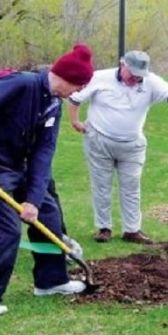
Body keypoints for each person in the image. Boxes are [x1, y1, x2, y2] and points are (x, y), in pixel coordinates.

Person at [67, 50, 168, 244]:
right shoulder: (100, 77)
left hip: (132, 145)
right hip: (99, 141)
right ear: (122, 64)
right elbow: (75, 98)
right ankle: (104, 228)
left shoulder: (151, 81)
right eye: (132, 73)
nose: (135, 78)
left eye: (139, 75)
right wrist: (75, 122)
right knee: (101, 186)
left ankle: (132, 230)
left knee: (131, 187)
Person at [0, 43, 94, 315]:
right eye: (78, 86)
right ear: (68, 78)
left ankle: (51, 281)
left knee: (48, 215)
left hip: (22, 166)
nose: (78, 92)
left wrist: (33, 199)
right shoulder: (22, 85)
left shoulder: (54, 103)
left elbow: (44, 151)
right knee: (6, 231)